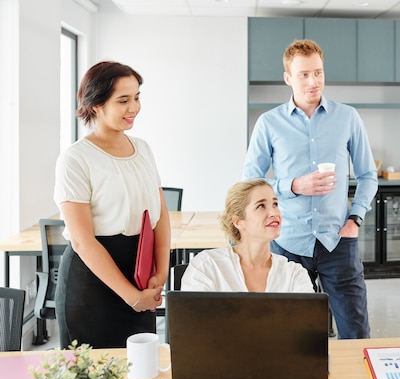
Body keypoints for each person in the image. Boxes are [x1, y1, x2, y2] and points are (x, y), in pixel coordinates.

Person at [242, 39, 378, 339]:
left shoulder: (348, 117)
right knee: (287, 332)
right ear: (288, 77)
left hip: (338, 241)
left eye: (318, 72)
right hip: (288, 242)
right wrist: (293, 186)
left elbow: (368, 175)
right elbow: (250, 182)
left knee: (355, 332)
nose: (313, 81)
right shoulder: (269, 123)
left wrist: (355, 219)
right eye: (304, 74)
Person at [54, 61, 170, 349]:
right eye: (123, 100)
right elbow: (83, 242)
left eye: (137, 97)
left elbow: (161, 215)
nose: (134, 108)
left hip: (139, 271)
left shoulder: (143, 148)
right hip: (92, 282)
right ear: (95, 104)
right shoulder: (76, 159)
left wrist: (161, 272)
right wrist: (132, 296)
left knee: (141, 372)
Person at [181, 179, 314, 293]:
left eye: (275, 204)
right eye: (261, 206)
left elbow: (309, 321)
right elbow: (192, 320)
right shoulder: (207, 266)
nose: (274, 212)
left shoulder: (294, 274)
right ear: (238, 222)